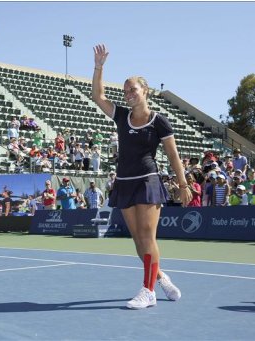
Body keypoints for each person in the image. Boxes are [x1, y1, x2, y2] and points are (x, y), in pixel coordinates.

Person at [92, 44, 192, 309]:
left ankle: (148, 291)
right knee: (138, 243)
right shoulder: (122, 116)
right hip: (124, 183)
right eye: (125, 92)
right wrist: (99, 67)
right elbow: (97, 95)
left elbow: (173, 156)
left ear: (145, 91)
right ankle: (159, 277)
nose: (128, 95)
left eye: (133, 90)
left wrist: (182, 184)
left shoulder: (160, 121)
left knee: (148, 238)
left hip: (148, 181)